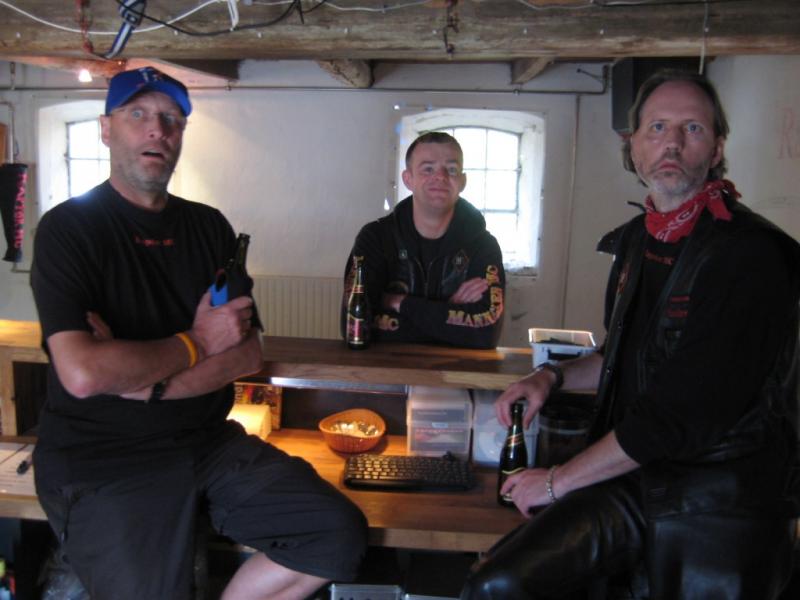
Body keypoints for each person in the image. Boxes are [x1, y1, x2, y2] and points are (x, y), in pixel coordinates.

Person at [30, 67, 366, 600]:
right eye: (138, 114)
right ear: (106, 129)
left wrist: (145, 383)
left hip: (207, 444)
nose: (157, 129)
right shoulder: (69, 229)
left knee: (334, 535)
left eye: (172, 119)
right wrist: (200, 342)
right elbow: (84, 373)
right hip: (105, 458)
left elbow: (249, 352)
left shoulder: (209, 227)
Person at [461, 70, 800, 599]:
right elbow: (626, 355)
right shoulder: (640, 241)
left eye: (692, 128)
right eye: (657, 127)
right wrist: (550, 377)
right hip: (639, 475)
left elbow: (679, 414)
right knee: (497, 583)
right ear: (634, 146)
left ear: (717, 148)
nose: (673, 142)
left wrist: (556, 481)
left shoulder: (748, 255)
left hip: (718, 500)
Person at [342, 132, 505, 349]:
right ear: (408, 179)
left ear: (462, 181)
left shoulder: (483, 246)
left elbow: (486, 334)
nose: (441, 176)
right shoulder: (375, 238)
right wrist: (448, 312)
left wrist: (397, 302)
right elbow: (354, 326)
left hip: (454, 367)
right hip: (383, 365)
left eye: (451, 169)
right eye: (428, 169)